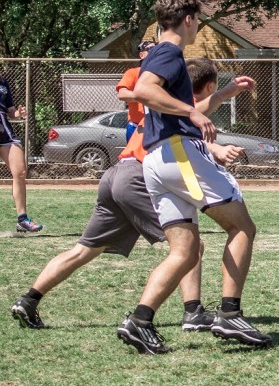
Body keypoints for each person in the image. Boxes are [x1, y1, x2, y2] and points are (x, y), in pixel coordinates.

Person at [10, 57, 254, 334]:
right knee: (189, 247)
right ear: (207, 86)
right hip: (140, 176)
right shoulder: (182, 108)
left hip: (116, 174)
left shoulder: (165, 104)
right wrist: (224, 96)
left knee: (84, 250)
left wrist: (216, 141)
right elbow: (185, 133)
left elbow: (191, 134)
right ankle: (193, 312)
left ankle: (29, 300)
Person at [118, 0, 269, 354]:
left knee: (184, 251)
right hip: (178, 153)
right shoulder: (169, 53)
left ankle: (139, 322)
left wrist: (221, 94)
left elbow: (176, 103)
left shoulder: (160, 53)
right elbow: (144, 91)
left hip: (158, 160)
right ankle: (230, 314)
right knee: (242, 226)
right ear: (188, 19)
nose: (198, 25)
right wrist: (192, 114)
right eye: (198, 19)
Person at [0, 73, 42, 233]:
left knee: (20, 172)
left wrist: (19, 114)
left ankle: (22, 219)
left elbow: (10, 111)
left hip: (5, 131)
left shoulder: (3, 82)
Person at [117, 40, 157, 142]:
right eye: (151, 49)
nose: (155, 52)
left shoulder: (164, 73)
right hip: (137, 127)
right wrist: (143, 96)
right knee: (135, 158)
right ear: (141, 54)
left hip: (158, 126)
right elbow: (122, 94)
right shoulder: (133, 73)